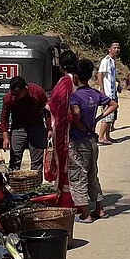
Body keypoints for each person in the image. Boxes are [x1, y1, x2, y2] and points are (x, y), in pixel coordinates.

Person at [69, 59, 113, 223]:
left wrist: (79, 125)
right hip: (92, 140)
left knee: (78, 176)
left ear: (75, 77)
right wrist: (97, 119)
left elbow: (75, 112)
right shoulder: (94, 94)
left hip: (78, 141)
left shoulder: (75, 96)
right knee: (93, 174)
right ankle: (99, 209)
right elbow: (113, 104)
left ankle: (86, 213)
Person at [46, 50, 80, 208]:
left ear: (62, 66)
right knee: (78, 164)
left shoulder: (64, 82)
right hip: (79, 129)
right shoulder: (79, 80)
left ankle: (67, 200)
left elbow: (54, 105)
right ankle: (81, 200)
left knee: (65, 163)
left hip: (64, 130)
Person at [0, 75, 50, 171]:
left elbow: (47, 111)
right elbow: (4, 118)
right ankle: (14, 183)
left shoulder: (37, 92)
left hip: (36, 126)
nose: (15, 96)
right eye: (13, 93)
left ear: (25, 89)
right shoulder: (8, 98)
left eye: (17, 94)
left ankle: (36, 184)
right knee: (15, 159)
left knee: (37, 160)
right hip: (18, 127)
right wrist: (5, 137)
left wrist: (49, 128)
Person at [96, 42, 121, 144]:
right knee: (107, 116)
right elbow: (100, 74)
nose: (116, 50)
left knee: (111, 116)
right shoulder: (105, 61)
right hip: (107, 93)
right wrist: (102, 90)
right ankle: (101, 136)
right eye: (114, 48)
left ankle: (107, 136)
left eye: (118, 48)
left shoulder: (112, 61)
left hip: (113, 92)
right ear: (109, 49)